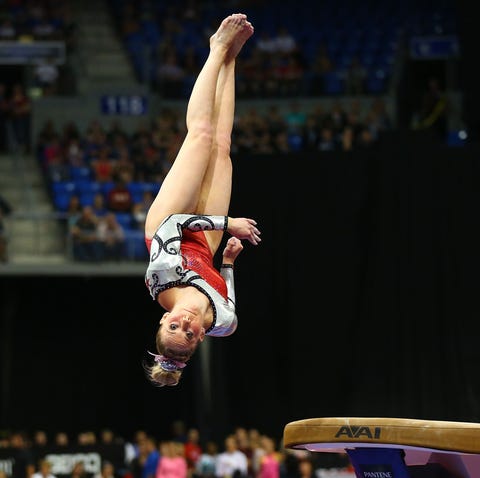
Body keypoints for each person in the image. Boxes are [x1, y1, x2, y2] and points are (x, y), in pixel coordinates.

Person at [144, 13, 261, 387]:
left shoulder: (161, 278)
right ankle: (231, 60)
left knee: (202, 136)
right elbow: (226, 297)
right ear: (199, 341)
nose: (188, 323)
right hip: (206, 245)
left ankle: (215, 50)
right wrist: (226, 263)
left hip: (170, 225)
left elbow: (175, 225)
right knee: (222, 146)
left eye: (175, 325)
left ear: (163, 320)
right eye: (190, 333)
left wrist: (230, 225)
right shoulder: (222, 324)